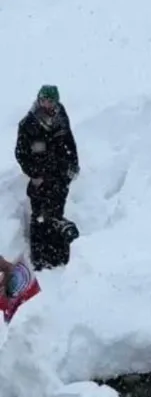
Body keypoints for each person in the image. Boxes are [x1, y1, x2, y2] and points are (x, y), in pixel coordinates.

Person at [15, 86, 80, 271]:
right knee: (40, 218)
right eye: (45, 100)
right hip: (40, 181)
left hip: (59, 178)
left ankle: (58, 256)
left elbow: (69, 143)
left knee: (56, 215)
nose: (48, 104)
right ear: (39, 100)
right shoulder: (28, 124)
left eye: (51, 101)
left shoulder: (61, 117)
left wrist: (72, 165)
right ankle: (39, 259)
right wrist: (35, 174)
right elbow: (21, 154)